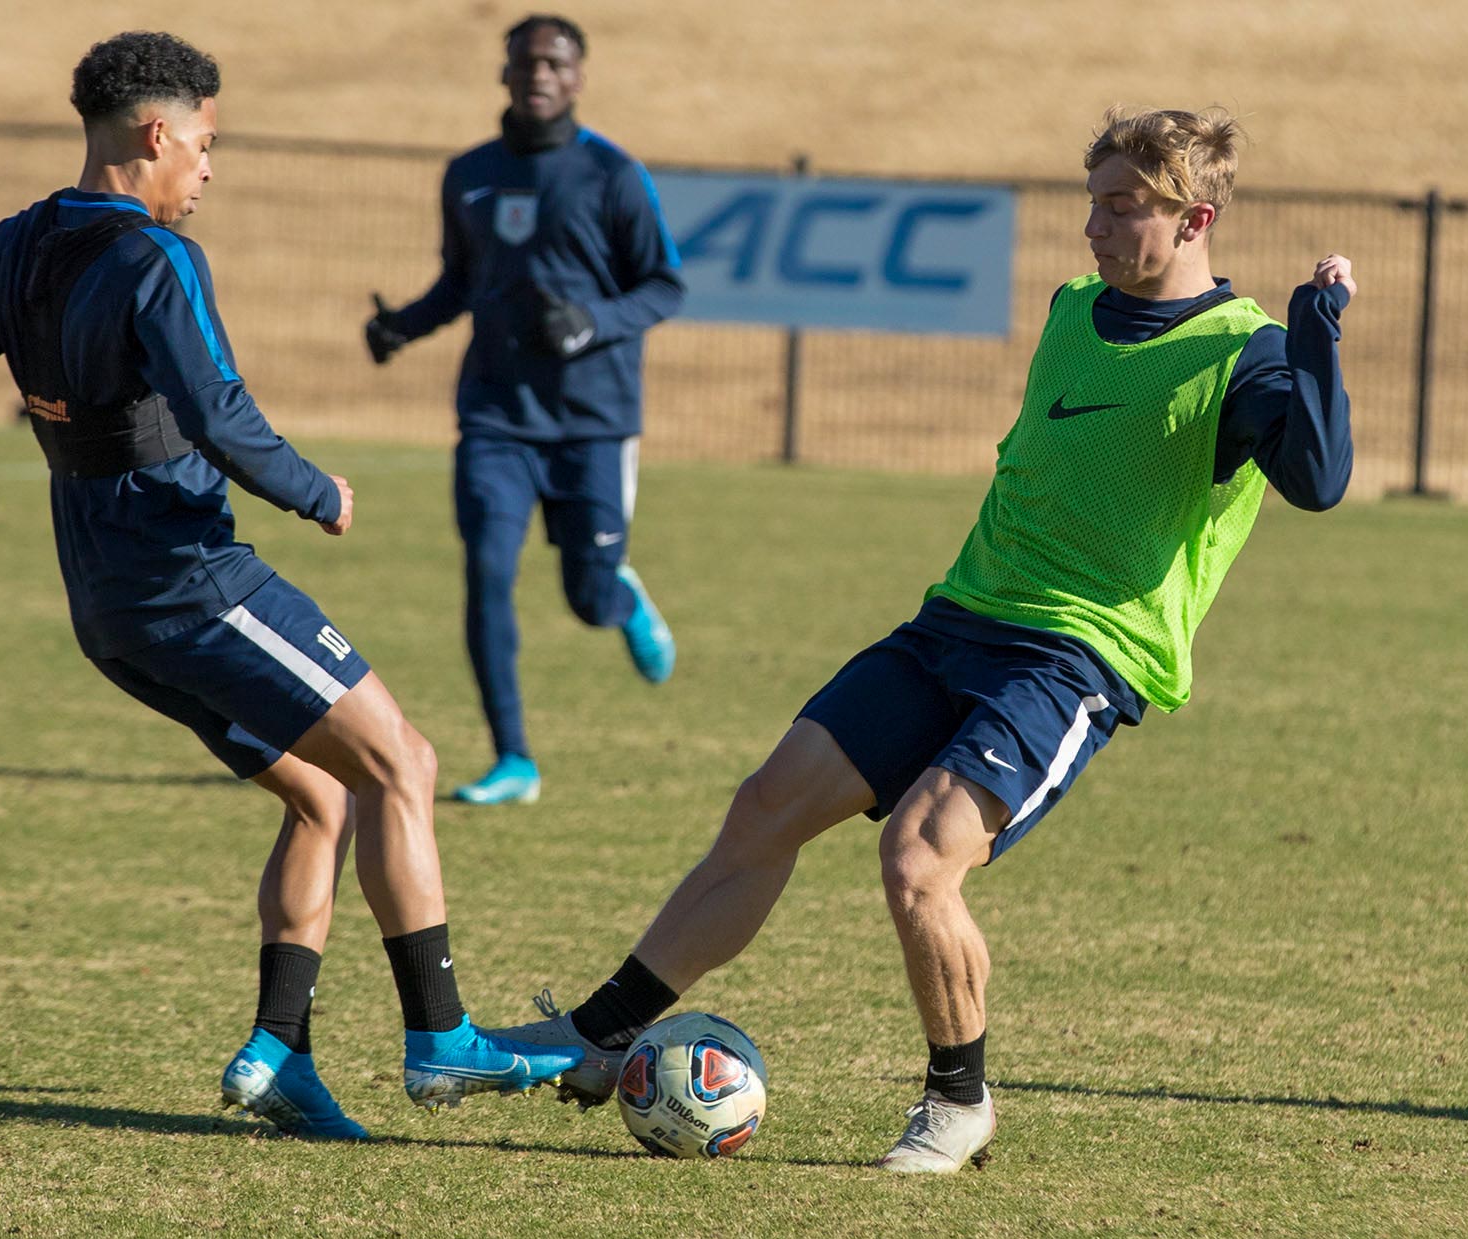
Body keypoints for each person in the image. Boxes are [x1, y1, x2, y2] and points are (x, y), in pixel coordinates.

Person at [491, 106, 1358, 1172]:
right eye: (1089, 203)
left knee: (917, 860)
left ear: (1196, 219)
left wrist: (1317, 338)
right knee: (767, 804)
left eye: (1121, 207)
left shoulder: (1245, 354)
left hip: (1074, 660)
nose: (1093, 227)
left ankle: (959, 1104)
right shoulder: (1072, 308)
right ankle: (601, 1028)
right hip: (954, 621)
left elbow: (1317, 482)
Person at [0, 30, 579, 1141]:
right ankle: (443, 1040)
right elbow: (217, 414)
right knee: (402, 762)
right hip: (191, 582)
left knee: (326, 796)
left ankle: (280, 1057)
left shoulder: (14, 247)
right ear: (157, 134)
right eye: (206, 145)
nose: (210, 170)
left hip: (106, 606)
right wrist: (314, 488)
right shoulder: (155, 260)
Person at [365, 13, 686, 805]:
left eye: (554, 62)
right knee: (485, 571)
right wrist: (401, 325)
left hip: (593, 422)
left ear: (579, 77)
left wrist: (592, 323)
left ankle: (619, 596)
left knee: (585, 596)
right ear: (503, 73)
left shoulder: (614, 174)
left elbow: (664, 284)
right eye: (525, 62)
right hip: (497, 418)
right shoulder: (468, 173)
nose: (538, 74)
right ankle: (515, 759)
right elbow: (460, 283)